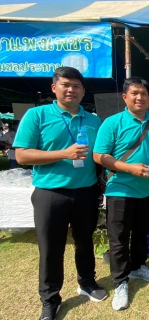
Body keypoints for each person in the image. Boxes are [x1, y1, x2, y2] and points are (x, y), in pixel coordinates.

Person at [13, 67, 107, 320]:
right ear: (54, 88)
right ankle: (50, 298)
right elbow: (21, 155)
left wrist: (102, 179)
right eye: (65, 84)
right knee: (51, 248)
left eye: (76, 86)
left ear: (83, 91)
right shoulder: (37, 115)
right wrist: (63, 154)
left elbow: (98, 155)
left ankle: (87, 282)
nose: (71, 90)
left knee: (85, 242)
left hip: (86, 193)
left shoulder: (93, 120)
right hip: (50, 193)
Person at [93, 77, 149, 311]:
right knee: (118, 239)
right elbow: (99, 156)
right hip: (120, 190)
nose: (140, 97)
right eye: (134, 93)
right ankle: (121, 281)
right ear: (125, 97)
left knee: (141, 233)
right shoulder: (112, 123)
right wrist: (129, 168)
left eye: (144, 93)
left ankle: (137, 266)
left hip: (147, 190)